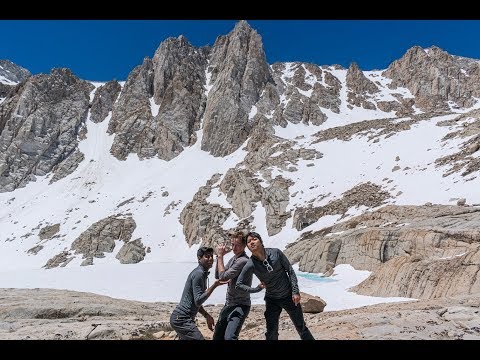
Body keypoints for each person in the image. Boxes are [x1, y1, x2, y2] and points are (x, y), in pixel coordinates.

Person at [236, 231, 315, 340]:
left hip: (289, 297)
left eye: (254, 239)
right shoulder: (251, 264)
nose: (252, 242)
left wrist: (295, 291)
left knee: (301, 327)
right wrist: (256, 289)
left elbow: (290, 271)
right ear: (248, 247)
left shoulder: (276, 253)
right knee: (271, 332)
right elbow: (239, 284)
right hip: (271, 299)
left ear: (261, 241)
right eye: (249, 242)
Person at [212, 231, 263, 340]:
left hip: (240, 305)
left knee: (230, 337)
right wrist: (219, 258)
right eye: (233, 245)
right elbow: (218, 275)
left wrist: (220, 256)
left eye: (237, 245)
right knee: (218, 336)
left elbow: (223, 277)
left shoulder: (243, 261)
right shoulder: (234, 259)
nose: (234, 248)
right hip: (229, 304)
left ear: (244, 246)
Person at [170, 246, 227, 340]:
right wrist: (214, 286)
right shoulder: (199, 274)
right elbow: (198, 301)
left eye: (211, 256)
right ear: (199, 258)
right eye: (207, 256)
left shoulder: (202, 273)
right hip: (182, 319)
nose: (210, 259)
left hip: (181, 318)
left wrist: (206, 315)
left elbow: (196, 302)